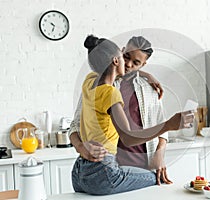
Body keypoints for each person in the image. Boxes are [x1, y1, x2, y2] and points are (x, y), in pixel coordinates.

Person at [71, 35, 194, 195]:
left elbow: (160, 124)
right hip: (111, 168)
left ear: (144, 64)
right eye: (126, 57)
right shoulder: (103, 84)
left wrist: (160, 153)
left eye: (136, 62)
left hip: (139, 168)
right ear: (120, 54)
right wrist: (81, 147)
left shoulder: (150, 89)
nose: (129, 64)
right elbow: (75, 125)